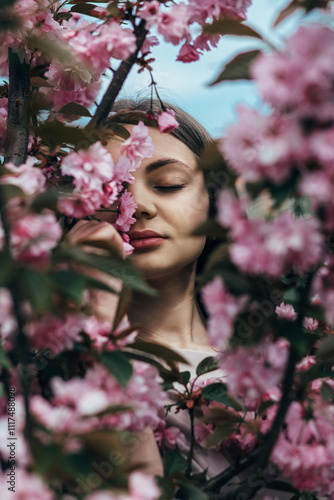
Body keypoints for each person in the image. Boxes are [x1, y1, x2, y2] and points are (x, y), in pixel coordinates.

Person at [68, 99, 291, 497]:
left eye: (168, 184)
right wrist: (96, 325)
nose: (137, 209)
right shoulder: (53, 371)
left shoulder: (284, 362)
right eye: (110, 191)